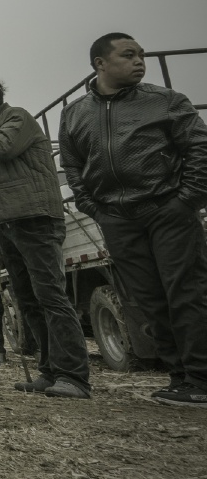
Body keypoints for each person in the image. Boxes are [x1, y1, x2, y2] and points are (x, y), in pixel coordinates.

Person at [59, 34, 207, 408]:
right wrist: (95, 208)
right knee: (148, 300)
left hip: (167, 212)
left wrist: (186, 201)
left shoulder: (166, 101)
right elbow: (73, 165)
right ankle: (178, 379)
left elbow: (200, 149)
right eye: (129, 55)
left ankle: (202, 378)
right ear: (100, 64)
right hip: (117, 218)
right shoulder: (75, 113)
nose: (140, 61)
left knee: (186, 292)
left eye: (141, 55)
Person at [0, 77, 90, 398]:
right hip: (7, 224)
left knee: (51, 297)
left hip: (35, 219)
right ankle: (48, 371)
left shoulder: (17, 118)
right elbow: (4, 171)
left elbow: (4, 149)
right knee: (28, 300)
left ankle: (74, 376)